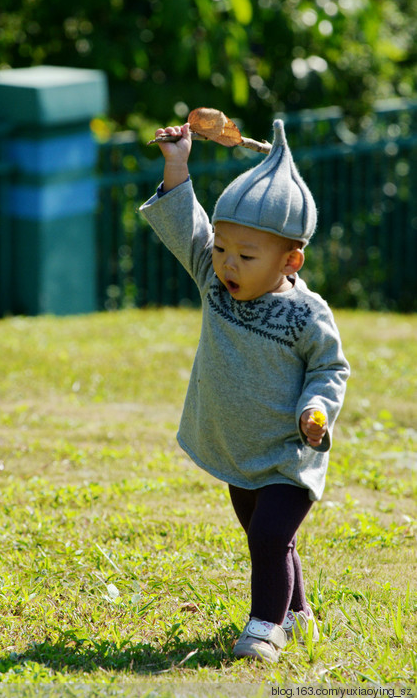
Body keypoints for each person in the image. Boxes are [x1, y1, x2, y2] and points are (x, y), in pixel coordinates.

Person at [139, 119, 350, 663]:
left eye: (246, 255)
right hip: (238, 448)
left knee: (269, 536)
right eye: (223, 246)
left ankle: (264, 628)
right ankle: (297, 614)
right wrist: (178, 164)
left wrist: (316, 409)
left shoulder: (306, 314)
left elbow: (330, 370)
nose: (228, 262)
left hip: (287, 453)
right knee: (263, 532)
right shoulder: (214, 278)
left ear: (290, 261)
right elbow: (184, 225)